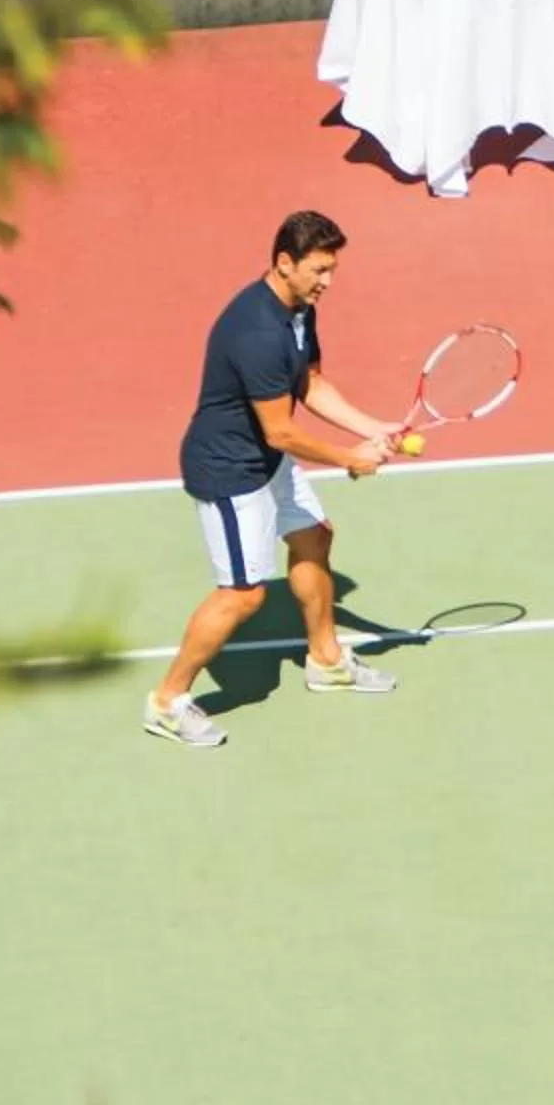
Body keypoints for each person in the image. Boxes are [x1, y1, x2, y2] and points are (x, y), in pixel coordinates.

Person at [148, 209, 402, 749]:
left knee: (314, 536)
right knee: (243, 596)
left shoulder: (298, 310)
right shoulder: (258, 331)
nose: (328, 282)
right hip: (230, 470)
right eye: (319, 270)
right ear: (284, 263)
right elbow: (282, 431)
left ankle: (326, 660)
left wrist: (373, 427)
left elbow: (309, 382)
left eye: (333, 269)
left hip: (263, 455)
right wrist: (349, 458)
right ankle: (168, 702)